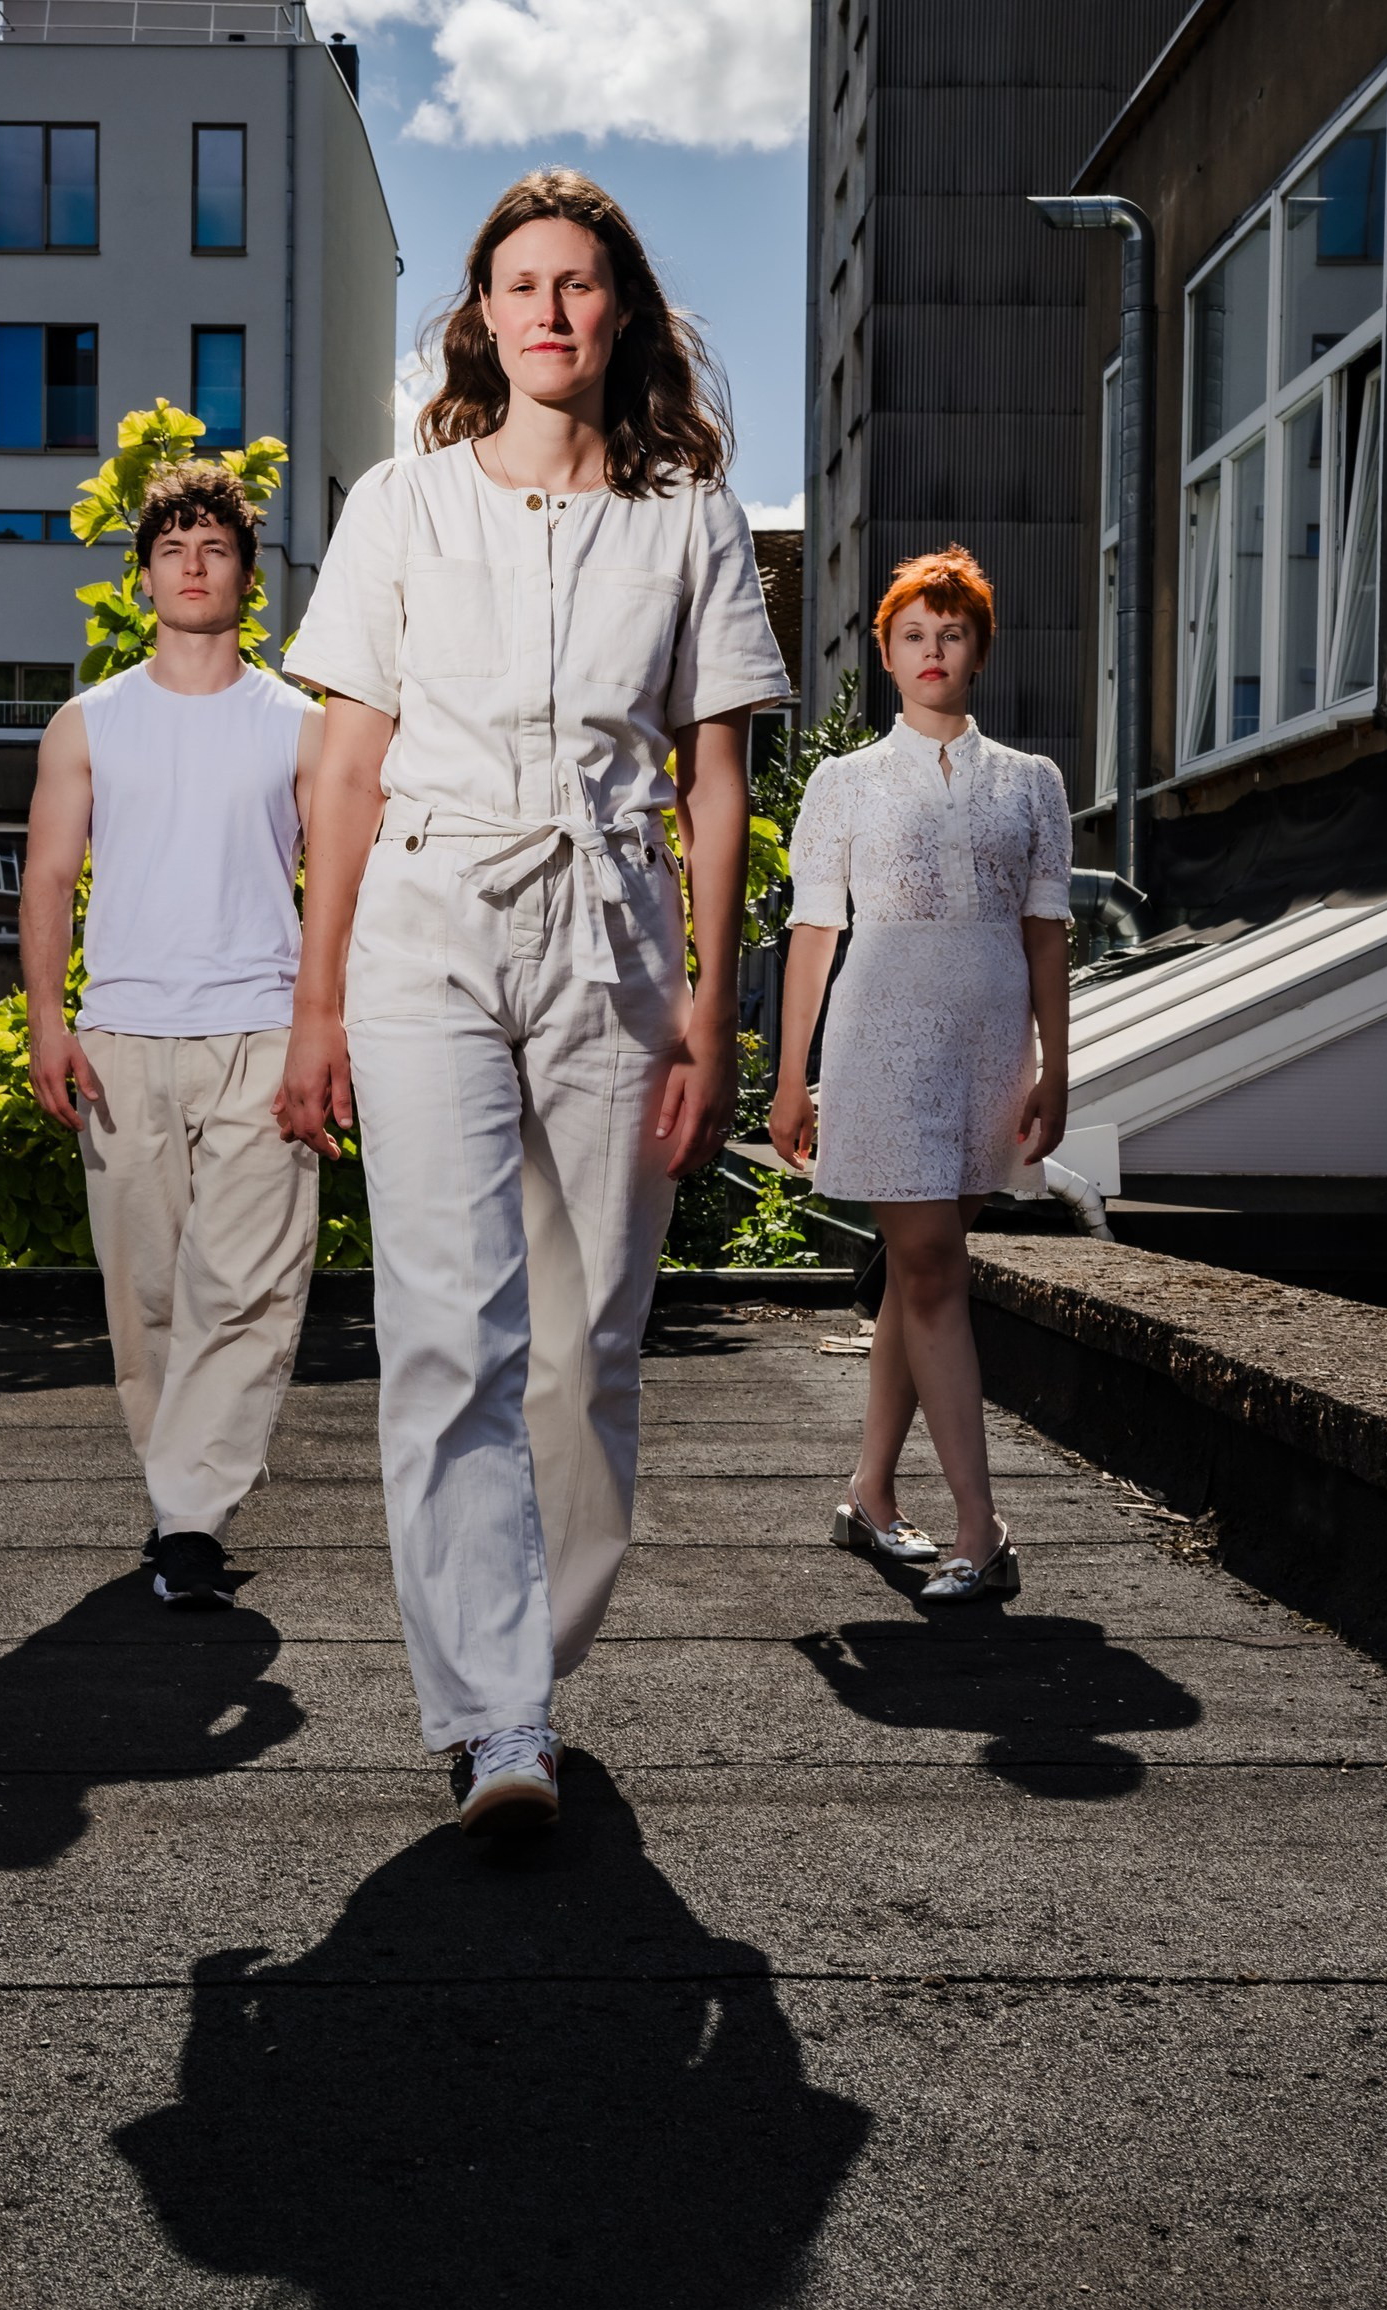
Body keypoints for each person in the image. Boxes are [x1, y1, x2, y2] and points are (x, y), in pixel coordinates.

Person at [276, 169, 789, 1834]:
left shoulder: (691, 520)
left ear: (616, 309)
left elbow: (717, 781)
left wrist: (715, 1014)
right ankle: (497, 1721)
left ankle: (525, 1668)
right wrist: (315, 1004)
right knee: (451, 1329)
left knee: (589, 1347)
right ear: (481, 314)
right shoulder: (398, 504)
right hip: (423, 926)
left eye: (578, 284)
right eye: (520, 284)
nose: (549, 311)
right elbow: (341, 764)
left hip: (619, 942)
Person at [22, 461, 324, 1608]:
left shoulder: (302, 726)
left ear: (247, 576)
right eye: (172, 549)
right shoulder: (87, 721)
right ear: (145, 573)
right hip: (123, 1036)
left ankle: (192, 1517)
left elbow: (339, 889)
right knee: (145, 1290)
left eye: (215, 548)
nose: (193, 566)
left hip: (262, 1030)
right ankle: (175, 1497)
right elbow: (47, 882)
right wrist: (50, 1024)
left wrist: (320, 1032)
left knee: (248, 1285)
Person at [768, 545, 1071, 1602]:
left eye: (950, 634)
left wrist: (1054, 1067)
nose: (931, 651)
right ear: (886, 655)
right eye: (912, 635)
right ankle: (981, 1530)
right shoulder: (841, 783)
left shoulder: (1031, 783)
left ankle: (868, 1494)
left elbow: (1044, 936)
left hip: (988, 1051)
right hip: (878, 1043)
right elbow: (812, 933)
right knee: (933, 1266)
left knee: (914, 1272)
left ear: (977, 650)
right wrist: (788, 1077)